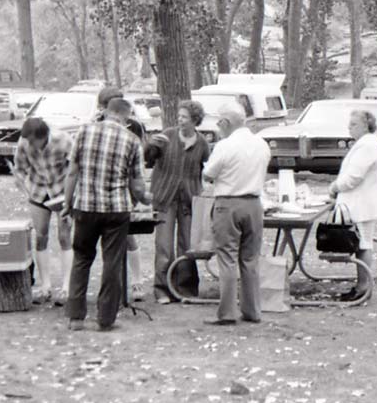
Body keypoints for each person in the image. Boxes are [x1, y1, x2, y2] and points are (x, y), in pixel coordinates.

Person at [63, 96, 151, 331]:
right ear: (125, 116)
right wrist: (146, 199)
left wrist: (67, 202)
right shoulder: (132, 140)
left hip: (86, 206)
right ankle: (106, 318)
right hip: (116, 210)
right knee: (112, 262)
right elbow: (137, 185)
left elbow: (72, 173)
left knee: (81, 259)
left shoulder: (83, 132)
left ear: (106, 112)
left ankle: (76, 317)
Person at [201, 101, 270, 325]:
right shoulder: (261, 144)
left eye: (220, 122)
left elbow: (208, 174)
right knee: (250, 259)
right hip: (254, 203)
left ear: (226, 122)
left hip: (228, 203)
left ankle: (227, 313)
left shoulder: (225, 145)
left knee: (227, 259)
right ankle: (252, 310)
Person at [145, 99, 211, 304]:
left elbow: (207, 170)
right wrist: (150, 145)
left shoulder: (202, 143)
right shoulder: (167, 135)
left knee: (187, 245)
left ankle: (185, 289)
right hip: (165, 198)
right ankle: (162, 289)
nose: (180, 120)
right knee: (164, 246)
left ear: (195, 121)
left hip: (189, 200)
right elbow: (147, 159)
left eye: (185, 117)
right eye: (179, 116)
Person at [94, 86, 149, 302]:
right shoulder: (95, 125)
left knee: (128, 235)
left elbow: (140, 155)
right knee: (106, 237)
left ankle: (136, 282)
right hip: (100, 185)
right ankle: (112, 282)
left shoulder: (133, 125)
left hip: (124, 184)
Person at [12, 117, 74, 306]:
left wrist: (71, 196)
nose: (29, 144)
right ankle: (45, 286)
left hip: (62, 191)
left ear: (43, 136)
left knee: (65, 237)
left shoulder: (64, 140)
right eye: (27, 141)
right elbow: (20, 169)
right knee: (41, 236)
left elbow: (74, 168)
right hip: (39, 191)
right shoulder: (24, 143)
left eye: (33, 141)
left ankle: (67, 287)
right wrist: (20, 181)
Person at [328, 109, 377, 303]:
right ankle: (362, 285)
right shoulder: (366, 143)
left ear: (365, 125)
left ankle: (363, 287)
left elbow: (354, 177)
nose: (349, 128)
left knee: (363, 245)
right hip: (363, 202)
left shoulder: (367, 145)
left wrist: (335, 186)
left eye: (353, 124)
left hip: (361, 203)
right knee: (363, 244)